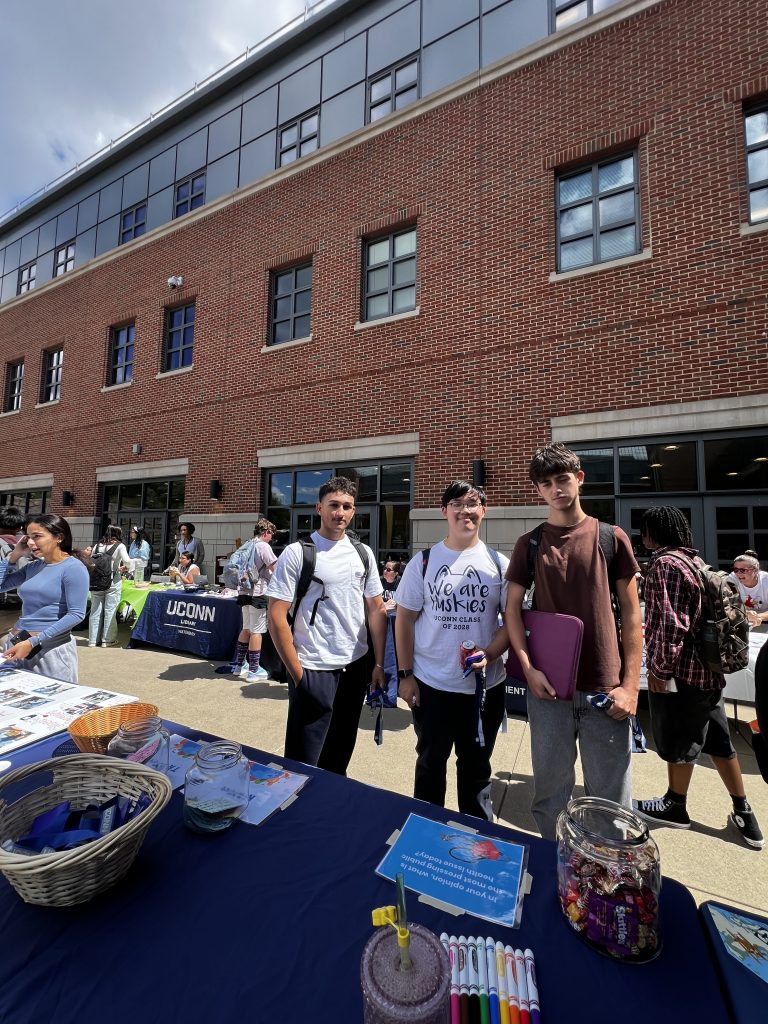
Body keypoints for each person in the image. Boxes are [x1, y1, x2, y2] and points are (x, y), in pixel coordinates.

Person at [505, 443, 642, 840]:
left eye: (562, 479)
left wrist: (631, 686)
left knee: (612, 807)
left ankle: (608, 874)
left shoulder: (610, 537)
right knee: (550, 799)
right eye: (546, 483)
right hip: (549, 689)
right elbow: (512, 610)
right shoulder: (530, 543)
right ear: (538, 490)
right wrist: (528, 670)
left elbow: (632, 616)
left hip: (605, 689)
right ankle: (557, 867)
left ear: (579, 479)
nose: (556, 489)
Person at [633, 507, 763, 849]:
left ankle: (675, 805)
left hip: (684, 674)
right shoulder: (695, 561)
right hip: (710, 670)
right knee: (720, 741)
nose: (642, 537)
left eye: (644, 530)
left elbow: (671, 624)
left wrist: (660, 670)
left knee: (679, 742)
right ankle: (744, 812)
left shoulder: (665, 564)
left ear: (653, 532)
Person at [395, 480, 510, 820]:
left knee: (476, 769)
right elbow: (404, 620)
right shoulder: (424, 562)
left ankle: (475, 836)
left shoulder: (499, 564)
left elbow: (512, 625)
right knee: (430, 764)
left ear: (483, 511)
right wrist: (405, 675)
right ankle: (426, 830)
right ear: (444, 511)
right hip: (433, 686)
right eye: (457, 504)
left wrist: (490, 654)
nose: (465, 511)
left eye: (472, 504)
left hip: (484, 691)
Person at [267, 476, 388, 775]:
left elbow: (376, 608)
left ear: (354, 510)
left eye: (347, 506)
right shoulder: (299, 552)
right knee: (302, 763)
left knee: (339, 758)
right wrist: (298, 675)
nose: (340, 512)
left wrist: (378, 664)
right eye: (333, 505)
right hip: (313, 667)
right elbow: (276, 615)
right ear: (319, 508)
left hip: (354, 667)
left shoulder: (363, 553)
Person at [0, 513, 90, 683]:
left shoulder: (73, 568)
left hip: (49, 649)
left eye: (37, 536)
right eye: (28, 537)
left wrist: (34, 641)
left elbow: (76, 614)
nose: (30, 542)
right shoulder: (34, 567)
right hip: (18, 644)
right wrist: (14, 556)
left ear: (59, 537)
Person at [224, 518, 278, 681]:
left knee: (246, 629)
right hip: (258, 593)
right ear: (266, 532)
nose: (271, 538)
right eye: (271, 535)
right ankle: (254, 670)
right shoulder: (263, 546)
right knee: (256, 632)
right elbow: (276, 568)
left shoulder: (247, 544)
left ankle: (240, 666)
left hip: (243, 592)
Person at [88, 526, 131, 648]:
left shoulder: (97, 546)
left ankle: (92, 640)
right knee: (110, 611)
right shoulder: (120, 546)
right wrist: (126, 567)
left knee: (95, 611)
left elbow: (92, 561)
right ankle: (107, 640)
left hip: (96, 582)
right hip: (113, 581)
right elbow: (127, 561)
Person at [728, 551, 768, 630]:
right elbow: (727, 606)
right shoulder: (732, 579)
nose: (738, 574)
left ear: (756, 570)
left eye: (743, 570)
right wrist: (745, 615)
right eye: (736, 570)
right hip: (740, 621)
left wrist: (759, 617)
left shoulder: (766, 580)